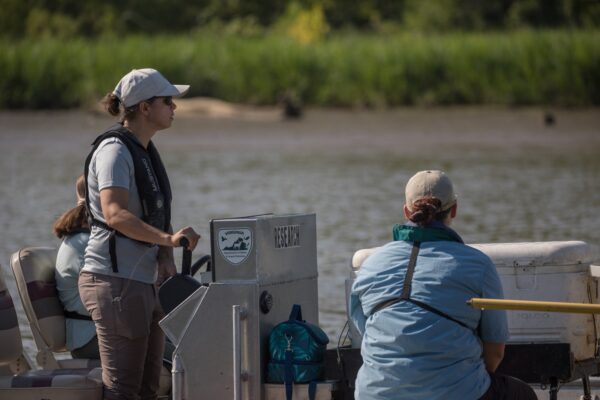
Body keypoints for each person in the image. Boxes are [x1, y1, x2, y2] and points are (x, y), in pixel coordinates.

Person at [350, 170, 536, 400]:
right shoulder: (478, 265)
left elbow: (367, 332)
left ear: (406, 211)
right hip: (457, 392)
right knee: (523, 394)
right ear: (454, 209)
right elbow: (495, 352)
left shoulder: (370, 266)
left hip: (374, 393)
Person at [78, 68, 201, 400]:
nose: (174, 108)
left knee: (149, 388)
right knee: (123, 390)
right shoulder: (115, 152)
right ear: (145, 108)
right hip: (113, 281)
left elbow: (151, 214)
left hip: (142, 281)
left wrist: (165, 257)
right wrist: (168, 240)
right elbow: (115, 214)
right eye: (168, 101)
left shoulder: (142, 150)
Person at [54, 175, 98, 359]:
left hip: (99, 333)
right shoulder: (85, 243)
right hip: (89, 339)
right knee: (171, 355)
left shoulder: (84, 239)